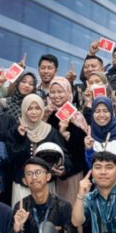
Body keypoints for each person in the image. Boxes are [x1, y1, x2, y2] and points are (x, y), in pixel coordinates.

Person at [8, 94, 71, 203]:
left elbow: (65, 156)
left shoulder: (51, 131)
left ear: (42, 110)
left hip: (46, 184)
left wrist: (62, 169)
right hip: (23, 185)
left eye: (37, 108)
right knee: (22, 212)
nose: (34, 112)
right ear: (24, 110)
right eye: (29, 109)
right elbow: (12, 159)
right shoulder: (15, 130)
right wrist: (21, 137)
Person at [45, 76, 89, 205]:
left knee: (72, 207)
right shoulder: (47, 114)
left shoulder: (76, 116)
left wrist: (65, 134)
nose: (56, 95)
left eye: (60, 91)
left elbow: (81, 145)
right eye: (53, 92)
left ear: (68, 92)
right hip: (51, 171)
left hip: (73, 171)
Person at [72, 151, 116, 233]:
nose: (103, 172)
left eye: (109, 167)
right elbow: (76, 222)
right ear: (92, 172)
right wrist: (80, 195)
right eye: (98, 167)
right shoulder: (90, 197)